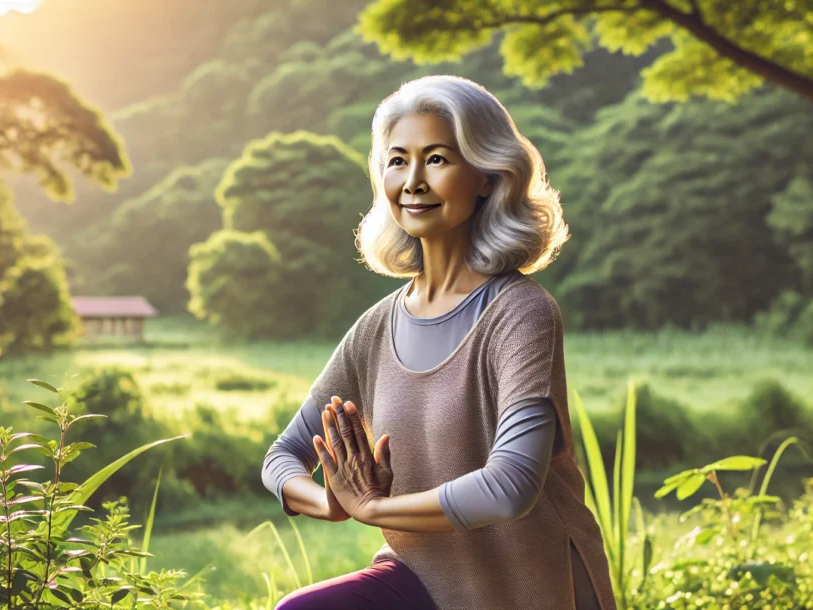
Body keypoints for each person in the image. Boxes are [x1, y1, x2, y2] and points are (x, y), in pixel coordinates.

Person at [260, 75, 617, 610]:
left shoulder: (521, 312)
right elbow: (282, 455)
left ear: (487, 177)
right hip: (420, 582)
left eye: (438, 159)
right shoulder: (376, 328)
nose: (413, 181)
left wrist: (374, 510)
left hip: (529, 589)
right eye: (398, 160)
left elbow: (512, 484)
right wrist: (331, 504)